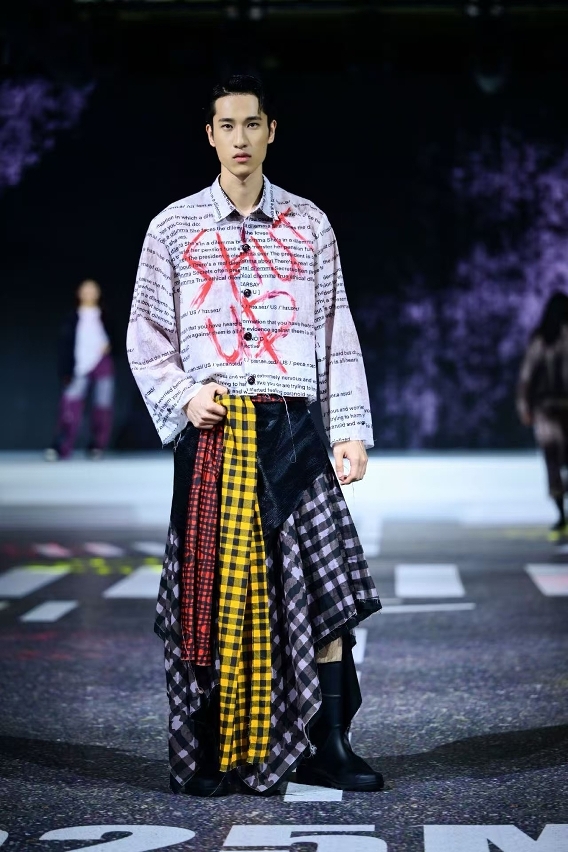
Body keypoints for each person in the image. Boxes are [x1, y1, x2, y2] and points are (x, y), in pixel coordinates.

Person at [127, 74, 383, 797]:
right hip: (215, 433)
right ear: (210, 135)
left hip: (295, 427)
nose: (240, 139)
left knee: (326, 588)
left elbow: (335, 328)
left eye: (252, 124)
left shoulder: (310, 223)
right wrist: (185, 395)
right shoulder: (173, 228)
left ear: (271, 131)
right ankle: (213, 747)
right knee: (211, 594)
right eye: (227, 126)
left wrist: (349, 428)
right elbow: (146, 336)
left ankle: (329, 744)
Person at [517, 291, 568, 536]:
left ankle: (561, 515)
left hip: (547, 410)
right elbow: (526, 378)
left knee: (553, 461)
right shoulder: (543, 340)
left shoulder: (542, 340)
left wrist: (524, 407)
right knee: (555, 460)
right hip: (550, 410)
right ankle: (562, 515)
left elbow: (526, 379)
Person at [46, 279, 115, 460]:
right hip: (79, 365)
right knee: (70, 406)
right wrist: (65, 371)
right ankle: (61, 446)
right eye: (86, 290)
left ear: (98, 293)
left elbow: (117, 337)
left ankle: (97, 446)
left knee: (102, 405)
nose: (89, 293)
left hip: (102, 363)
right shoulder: (72, 317)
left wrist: (110, 346)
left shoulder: (104, 315)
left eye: (93, 290)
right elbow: (65, 345)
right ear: (79, 293)